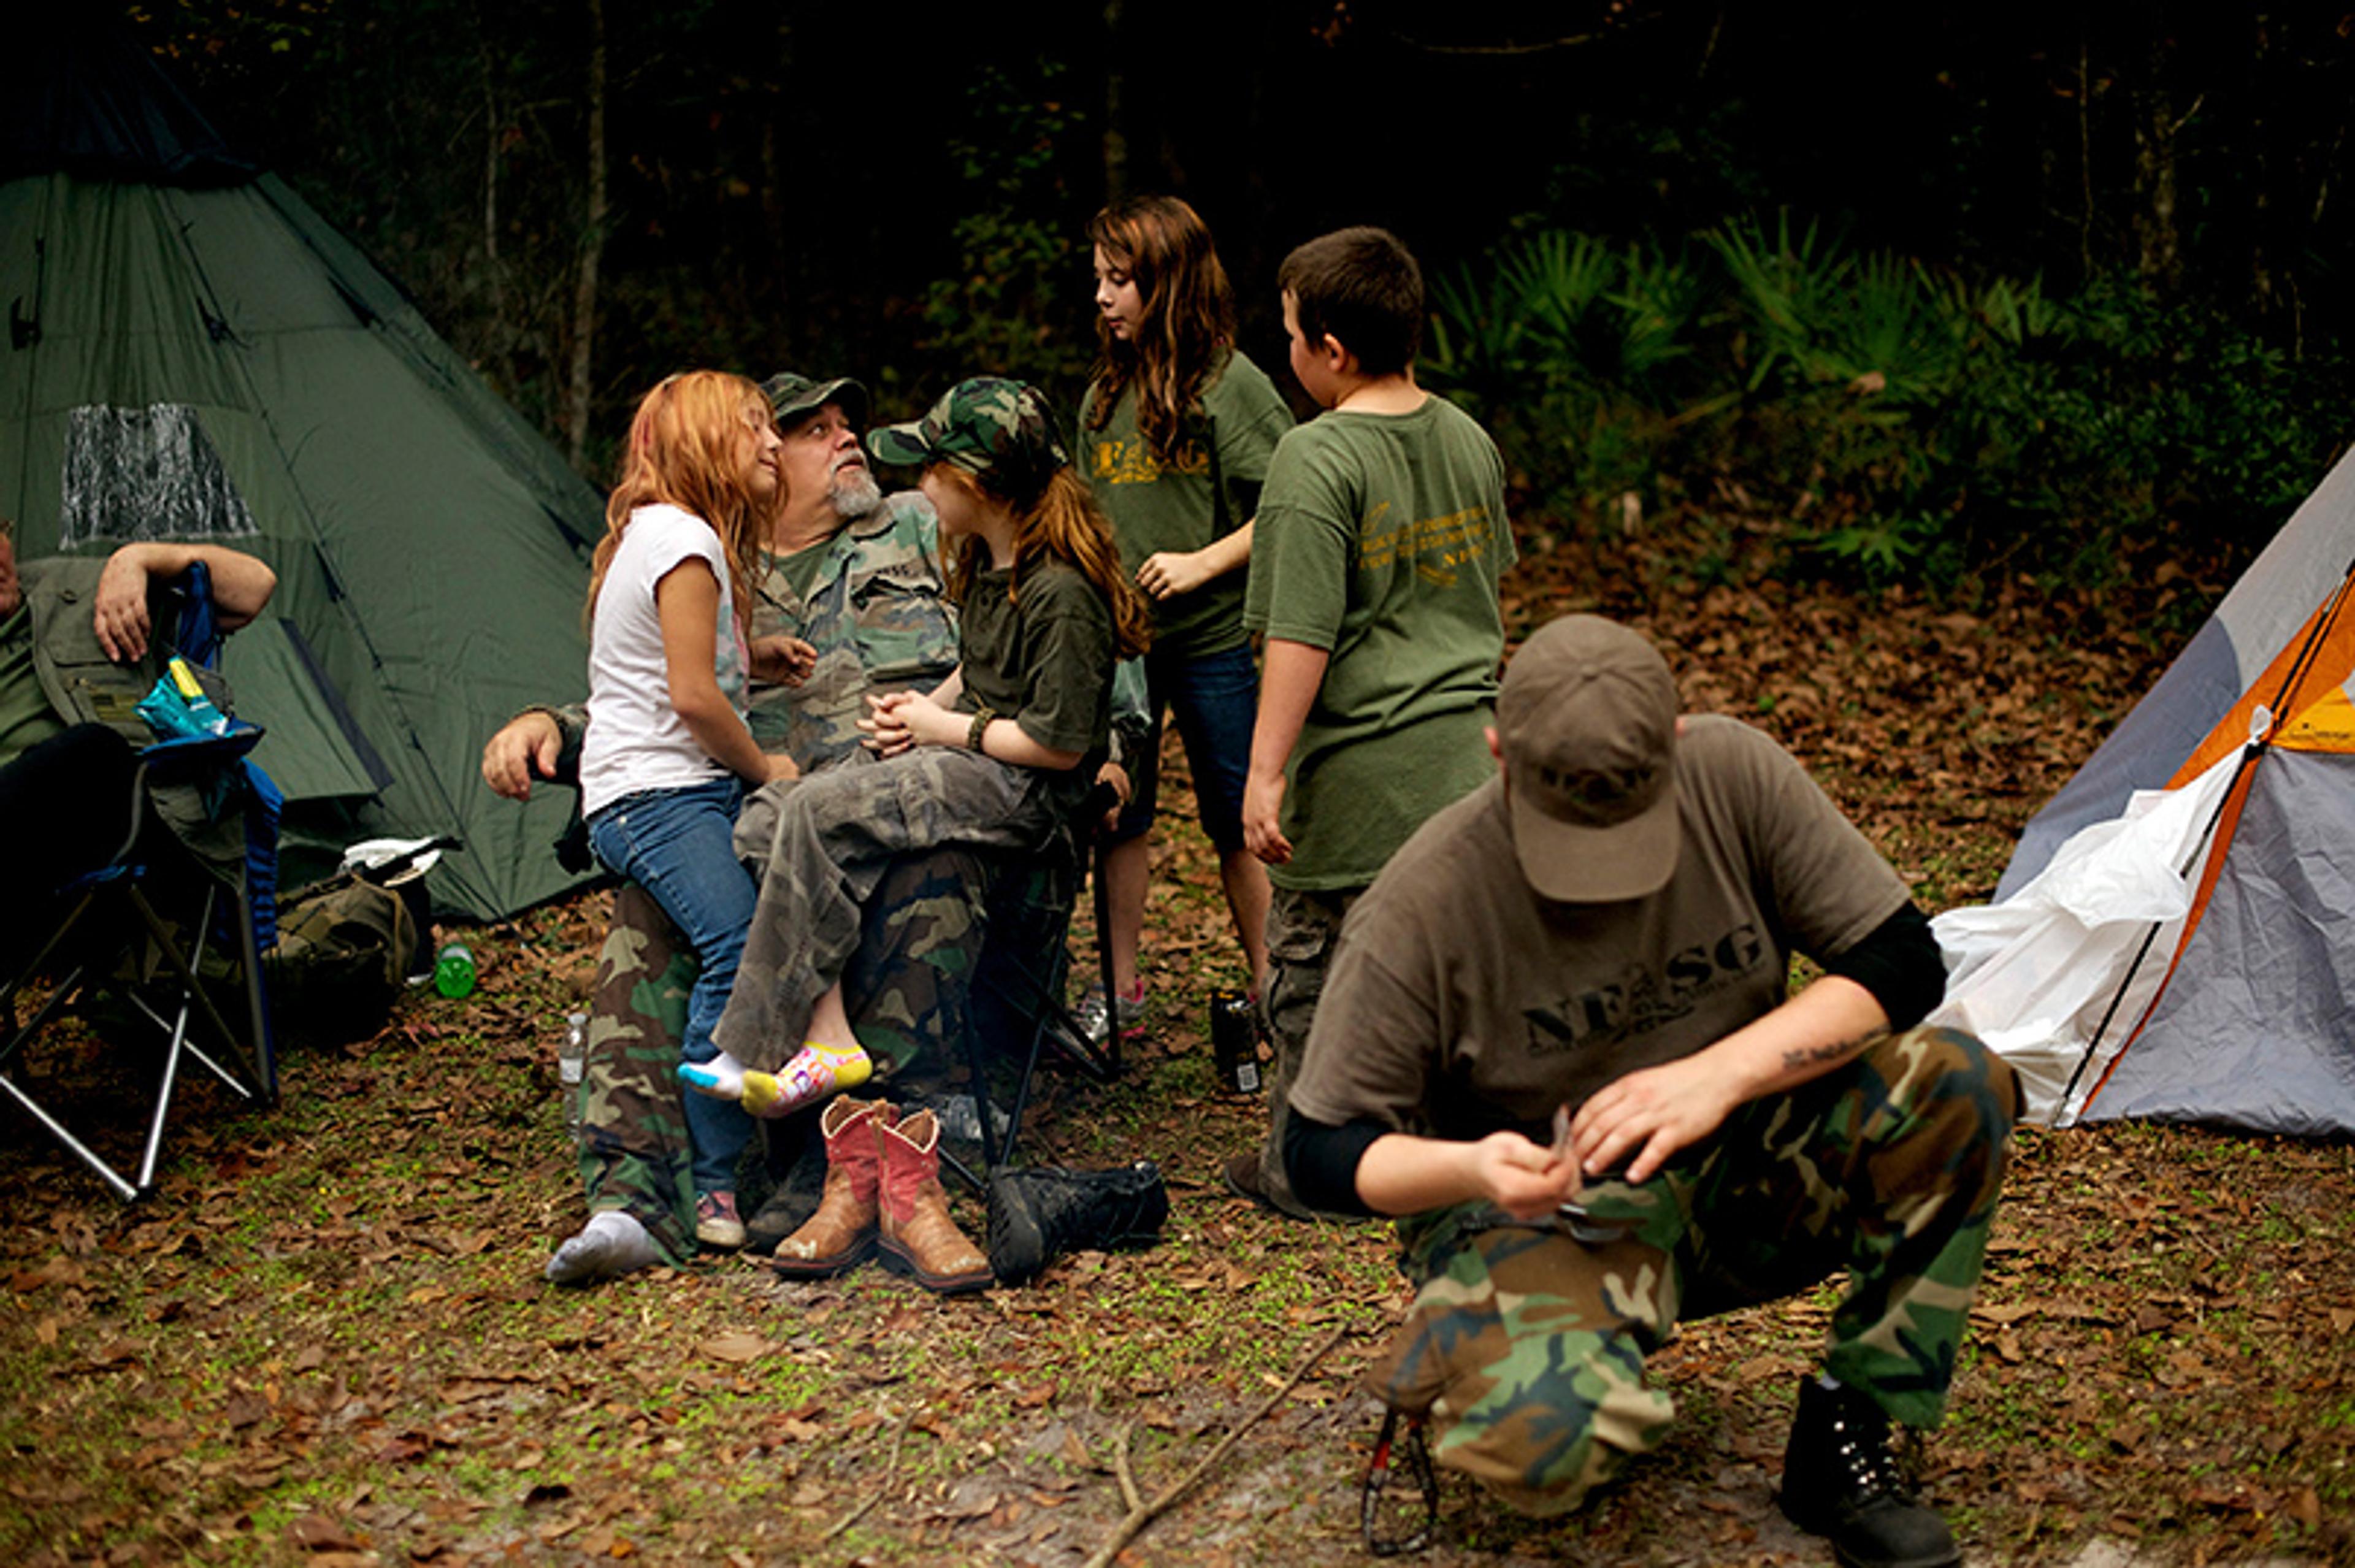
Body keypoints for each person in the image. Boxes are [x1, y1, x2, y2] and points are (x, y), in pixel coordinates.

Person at [1283, 615, 2018, 1568]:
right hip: (1553, 1213)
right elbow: (1317, 1149)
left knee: (1960, 1085)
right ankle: (1488, 1334)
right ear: (1497, 752)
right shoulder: (1425, 902)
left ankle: (1852, 1430)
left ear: (1678, 739)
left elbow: (1901, 959)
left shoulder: (1736, 776)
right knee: (1543, 1452)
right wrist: (1475, 1167)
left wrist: (1717, 1076)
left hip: (1743, 1160)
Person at [697, 377, 1151, 1128]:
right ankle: (830, 1037)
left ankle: (754, 1049)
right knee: (769, 815)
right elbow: (982, 665)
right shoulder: (986, 563)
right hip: (975, 770)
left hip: (1022, 794)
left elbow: (1059, 744)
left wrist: (945, 730)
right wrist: (923, 711)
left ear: (976, 484)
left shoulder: (1062, 592)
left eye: (932, 470)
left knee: (813, 806)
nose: (918, 484)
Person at [1230, 226, 1517, 1217]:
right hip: (1469, 772)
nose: (1288, 357)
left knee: (1311, 970)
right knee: (1446, 972)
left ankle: (1313, 1168)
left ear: (1336, 351)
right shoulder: (1467, 437)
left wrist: (1263, 775)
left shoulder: (1314, 459)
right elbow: (1482, 590)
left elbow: (1299, 639)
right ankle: (1443, 1155)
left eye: (1292, 339)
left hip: (1359, 777)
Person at [575, 370, 803, 1260]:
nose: (774, 445)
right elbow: (693, 701)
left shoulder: (655, 532)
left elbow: (679, 668)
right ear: (709, 440)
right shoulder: (689, 540)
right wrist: (767, 765)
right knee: (739, 944)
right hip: (657, 797)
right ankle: (713, 1182)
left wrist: (762, 662)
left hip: (653, 791)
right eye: (756, 428)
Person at [1072, 194, 1292, 1042]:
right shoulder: (1106, 392)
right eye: (1098, 279)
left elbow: (1291, 505)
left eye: (1120, 281)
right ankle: (1120, 993)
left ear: (1167, 283)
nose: (1103, 297)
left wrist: (1203, 562)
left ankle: (1276, 990)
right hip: (1124, 651)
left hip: (1214, 644)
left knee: (1240, 816)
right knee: (1119, 816)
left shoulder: (1231, 387)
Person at [1, 526, 278, 950]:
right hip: (22, 887)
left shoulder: (80, 589)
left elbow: (253, 587)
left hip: (127, 834)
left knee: (90, 751)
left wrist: (139, 559)